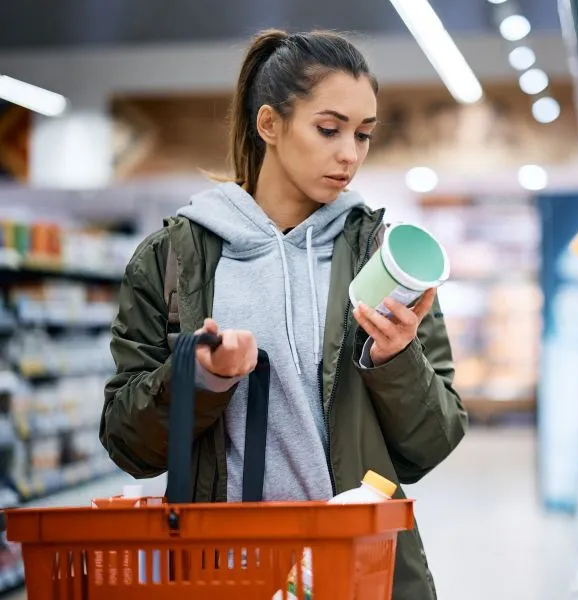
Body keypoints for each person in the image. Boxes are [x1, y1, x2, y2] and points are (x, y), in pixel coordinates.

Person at [100, 28, 468, 600]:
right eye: (329, 129)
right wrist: (201, 379)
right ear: (269, 124)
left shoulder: (382, 258)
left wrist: (394, 359)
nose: (349, 153)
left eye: (363, 134)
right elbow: (128, 443)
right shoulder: (173, 259)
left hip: (356, 571)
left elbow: (433, 442)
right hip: (223, 572)